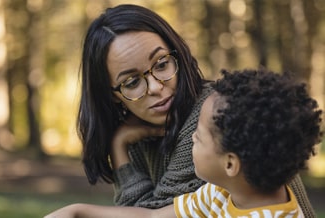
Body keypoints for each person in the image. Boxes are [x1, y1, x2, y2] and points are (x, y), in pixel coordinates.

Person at [74, 3, 315, 216]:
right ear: (111, 95)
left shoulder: (213, 120)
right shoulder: (142, 129)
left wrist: (118, 147)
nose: (156, 87)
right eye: (132, 82)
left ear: (177, 54)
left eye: (161, 64)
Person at [44, 69, 323, 218]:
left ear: (230, 163)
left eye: (198, 137)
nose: (191, 137)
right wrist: (78, 211)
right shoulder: (222, 194)